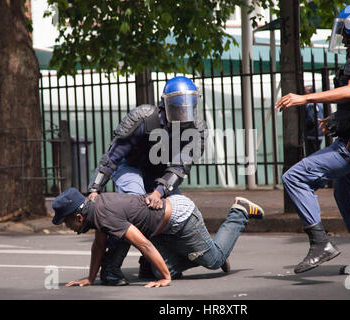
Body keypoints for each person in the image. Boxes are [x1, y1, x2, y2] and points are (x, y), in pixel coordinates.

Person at [275, 2, 350, 275]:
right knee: (344, 192)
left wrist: (304, 97)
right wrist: (336, 120)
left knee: (293, 177)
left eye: (344, 30)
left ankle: (320, 244)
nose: (343, 37)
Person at [86, 76, 207, 285]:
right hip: (129, 167)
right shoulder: (143, 118)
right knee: (133, 206)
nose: (181, 112)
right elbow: (112, 157)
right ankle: (111, 268)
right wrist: (94, 189)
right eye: (177, 107)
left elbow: (179, 167)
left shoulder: (196, 128)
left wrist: (159, 192)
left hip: (160, 174)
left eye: (186, 106)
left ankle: (149, 264)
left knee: (173, 212)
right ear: (164, 104)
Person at [51, 188, 264, 288]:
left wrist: (166, 279)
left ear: (79, 217)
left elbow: (143, 243)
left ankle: (239, 211)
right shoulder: (95, 209)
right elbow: (98, 246)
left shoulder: (103, 215)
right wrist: (90, 277)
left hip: (182, 218)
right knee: (158, 269)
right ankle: (206, 251)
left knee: (214, 261)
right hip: (162, 228)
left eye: (66, 222)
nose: (68, 227)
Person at [304, 85, 324, 156]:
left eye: (305, 92)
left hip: (312, 134)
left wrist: (303, 125)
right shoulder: (320, 103)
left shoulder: (310, 105)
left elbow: (311, 120)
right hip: (319, 133)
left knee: (312, 155)